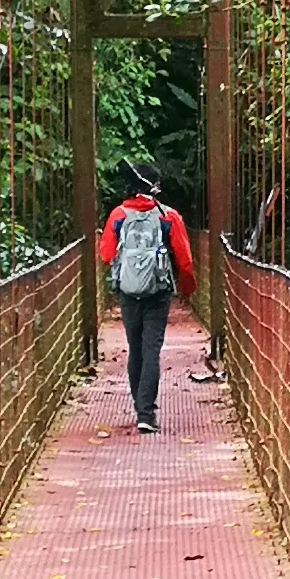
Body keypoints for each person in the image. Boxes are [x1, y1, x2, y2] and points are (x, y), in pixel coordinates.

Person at [98, 161, 196, 434]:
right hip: (158, 291)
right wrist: (187, 289)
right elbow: (185, 261)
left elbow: (105, 254)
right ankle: (146, 413)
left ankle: (138, 406)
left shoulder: (118, 214)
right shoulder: (169, 216)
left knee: (135, 347)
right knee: (151, 348)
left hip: (128, 292)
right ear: (154, 187)